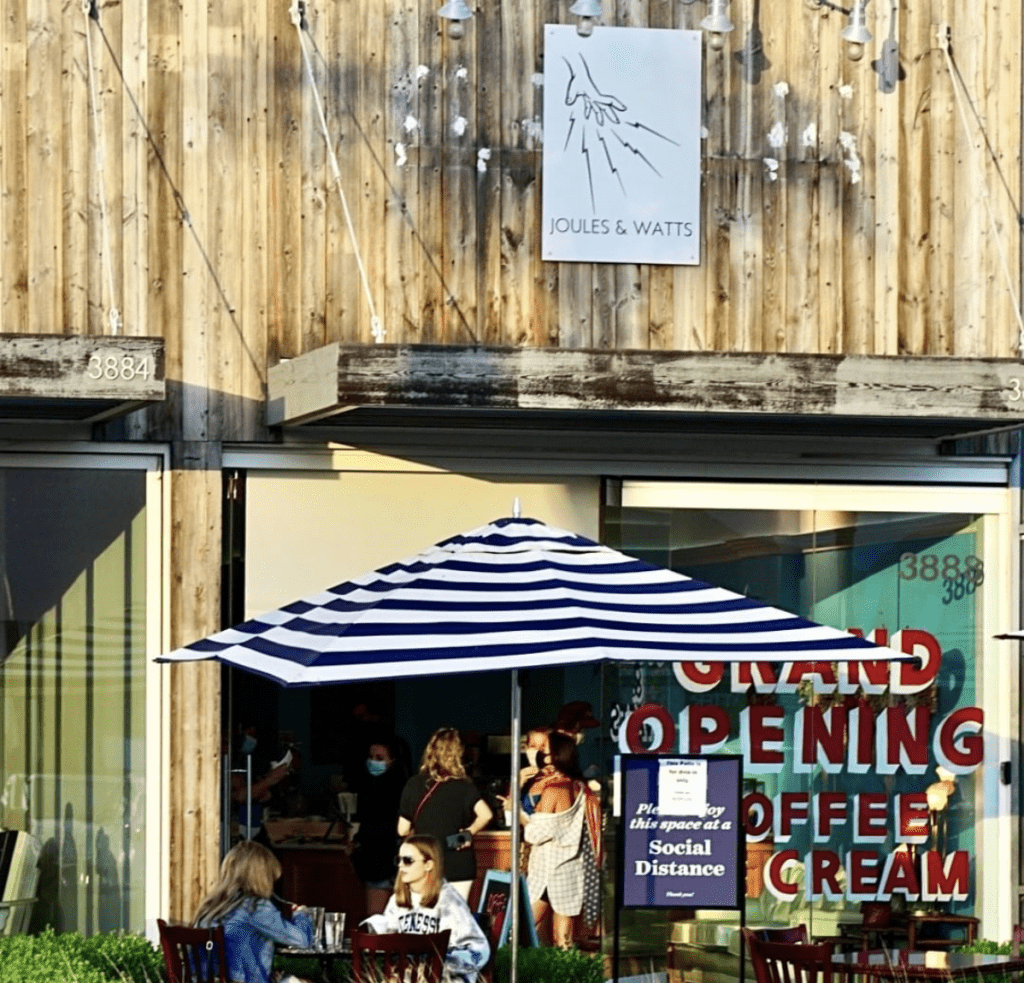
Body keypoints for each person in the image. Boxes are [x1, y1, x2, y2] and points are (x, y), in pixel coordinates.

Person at [362, 835, 490, 983]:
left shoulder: (449, 901)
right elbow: (389, 933)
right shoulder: (397, 900)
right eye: (398, 860)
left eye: (408, 860)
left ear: (429, 865)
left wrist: (441, 963)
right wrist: (373, 929)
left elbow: (479, 950)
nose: (400, 866)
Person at [193, 840, 315, 983]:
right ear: (261, 877)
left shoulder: (210, 908)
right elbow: (302, 940)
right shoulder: (255, 907)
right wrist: (301, 914)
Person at [522, 731, 602, 949]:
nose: (540, 756)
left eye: (544, 752)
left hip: (547, 871)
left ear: (555, 756)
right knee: (564, 938)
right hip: (571, 870)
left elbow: (535, 834)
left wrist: (518, 813)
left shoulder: (553, 789)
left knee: (520, 929)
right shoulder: (580, 787)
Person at [398, 728, 493, 900]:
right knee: (456, 919)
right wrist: (469, 832)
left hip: (426, 863)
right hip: (459, 864)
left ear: (430, 751)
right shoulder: (464, 786)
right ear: (459, 754)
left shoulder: (414, 784)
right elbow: (486, 814)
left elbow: (402, 830)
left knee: (426, 918)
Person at [351, 735, 407, 915]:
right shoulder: (368, 785)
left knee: (378, 919)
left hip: (384, 857)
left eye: (380, 758)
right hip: (375, 858)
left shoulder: (400, 788)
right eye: (371, 757)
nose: (374, 762)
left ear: (393, 761)